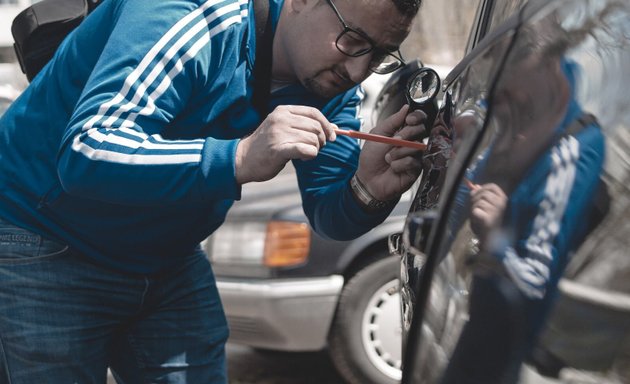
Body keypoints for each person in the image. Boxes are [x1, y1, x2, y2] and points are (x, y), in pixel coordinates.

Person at [0, 0, 426, 382]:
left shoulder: (330, 83)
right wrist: (239, 159)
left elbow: (330, 215)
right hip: (44, 242)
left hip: (168, 258)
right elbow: (87, 150)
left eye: (380, 56)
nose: (357, 71)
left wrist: (367, 189)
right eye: (353, 41)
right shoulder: (189, 15)